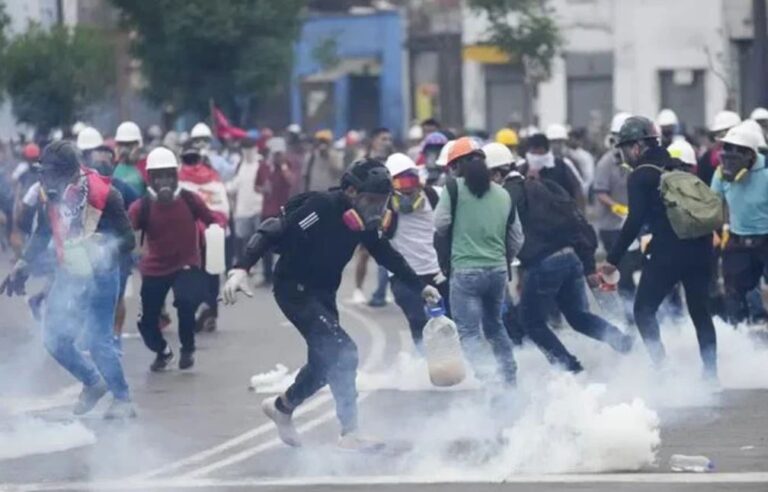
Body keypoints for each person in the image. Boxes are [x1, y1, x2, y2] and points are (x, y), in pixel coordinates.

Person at [222, 158, 439, 451]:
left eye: (382, 202)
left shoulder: (365, 222)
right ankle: (350, 432)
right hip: (294, 291)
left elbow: (387, 255)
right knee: (344, 351)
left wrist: (420, 285)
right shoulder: (323, 206)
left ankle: (282, 407)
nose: (377, 209)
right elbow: (274, 229)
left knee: (324, 363)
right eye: (372, 200)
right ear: (351, 192)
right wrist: (241, 268)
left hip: (323, 293)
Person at [1, 141, 136, 418]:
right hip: (70, 271)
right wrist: (23, 264)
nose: (45, 179)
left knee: (98, 341)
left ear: (70, 173)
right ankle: (93, 382)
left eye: (51, 173)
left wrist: (101, 246)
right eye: (44, 172)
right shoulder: (49, 194)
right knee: (53, 338)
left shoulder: (105, 195)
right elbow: (42, 233)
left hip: (102, 274)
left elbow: (129, 239)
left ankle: (123, 399)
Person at [601, 116, 718, 379]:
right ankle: (711, 375)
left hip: (669, 250)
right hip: (701, 247)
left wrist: (613, 259)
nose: (624, 156)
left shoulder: (641, 175)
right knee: (700, 312)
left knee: (643, 309)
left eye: (625, 149)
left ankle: (663, 371)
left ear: (637, 147)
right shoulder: (677, 164)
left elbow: (634, 220)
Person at [515, 152, 632, 372]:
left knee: (531, 322)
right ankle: (622, 341)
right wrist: (587, 265)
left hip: (545, 263)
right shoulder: (554, 192)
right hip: (571, 259)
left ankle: (568, 366)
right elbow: (581, 226)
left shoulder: (516, 196)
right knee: (578, 316)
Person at [434, 137, 522, 385]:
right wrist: (503, 261)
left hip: (465, 272)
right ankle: (509, 377)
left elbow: (440, 225)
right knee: (495, 326)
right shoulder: (503, 194)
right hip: (496, 272)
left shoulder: (453, 189)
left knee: (469, 332)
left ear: (457, 166)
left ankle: (488, 379)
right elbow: (517, 237)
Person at [130, 147, 225, 371]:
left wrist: (215, 236)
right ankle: (162, 351)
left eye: (168, 175)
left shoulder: (190, 200)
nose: (164, 181)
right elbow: (127, 234)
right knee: (146, 322)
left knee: (186, 303)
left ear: (176, 175)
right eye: (158, 176)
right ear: (149, 179)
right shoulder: (141, 207)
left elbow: (212, 220)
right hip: (155, 267)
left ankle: (188, 348)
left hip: (186, 263)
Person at [77, 126, 139, 343]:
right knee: (90, 293)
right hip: (90, 251)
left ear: (114, 163)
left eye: (106, 157)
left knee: (118, 296)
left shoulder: (123, 187)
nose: (102, 161)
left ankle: (116, 335)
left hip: (119, 251)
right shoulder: (83, 188)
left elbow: (139, 211)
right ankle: (94, 335)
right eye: (98, 156)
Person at [384, 153, 448, 349]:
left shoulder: (436, 195)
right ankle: (425, 363)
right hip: (404, 275)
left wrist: (447, 268)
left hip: (437, 273)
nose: (408, 188)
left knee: (449, 322)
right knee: (418, 321)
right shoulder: (383, 206)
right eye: (401, 183)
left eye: (411, 180)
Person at [710, 122, 768, 325]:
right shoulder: (721, 174)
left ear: (750, 156)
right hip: (737, 240)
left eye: (736, 156)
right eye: (726, 153)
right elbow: (711, 203)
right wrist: (713, 230)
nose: (729, 162)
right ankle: (740, 334)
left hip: (765, 239)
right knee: (734, 293)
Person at [178, 145, 230, 332]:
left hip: (191, 236)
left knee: (193, 273)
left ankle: (201, 308)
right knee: (213, 273)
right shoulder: (214, 178)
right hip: (214, 232)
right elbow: (223, 207)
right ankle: (211, 310)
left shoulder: (179, 179)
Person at [355, 128, 395, 307]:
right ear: (373, 141)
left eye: (388, 139)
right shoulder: (363, 162)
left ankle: (382, 290)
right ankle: (358, 289)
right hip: (366, 211)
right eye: (383, 139)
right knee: (363, 253)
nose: (386, 142)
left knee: (386, 252)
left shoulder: (394, 161)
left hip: (387, 212)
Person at [255, 137, 294, 287]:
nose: (277, 156)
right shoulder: (264, 167)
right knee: (266, 245)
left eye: (280, 153)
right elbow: (256, 186)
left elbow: (290, 181)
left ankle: (284, 275)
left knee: (285, 245)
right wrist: (263, 189)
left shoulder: (286, 165)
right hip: (267, 210)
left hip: (283, 210)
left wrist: (283, 166)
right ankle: (267, 275)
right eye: (275, 153)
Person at [520, 133, 586, 210]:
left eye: (539, 153)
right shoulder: (522, 167)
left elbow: (577, 190)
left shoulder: (563, 165)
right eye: (533, 153)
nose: (536, 157)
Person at [227, 137, 263, 263]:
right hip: (242, 211)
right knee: (243, 242)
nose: (248, 153)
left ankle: (261, 269)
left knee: (260, 241)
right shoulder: (240, 165)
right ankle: (246, 266)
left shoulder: (261, 163)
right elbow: (235, 185)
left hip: (258, 209)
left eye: (250, 149)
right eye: (245, 150)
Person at [697, 110, 742, 186]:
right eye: (718, 134)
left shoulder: (750, 155)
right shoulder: (707, 158)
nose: (722, 139)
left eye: (724, 133)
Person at [113, 121, 147, 197]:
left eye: (129, 145)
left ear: (138, 145)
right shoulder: (113, 167)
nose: (124, 150)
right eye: (121, 144)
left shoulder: (145, 166)